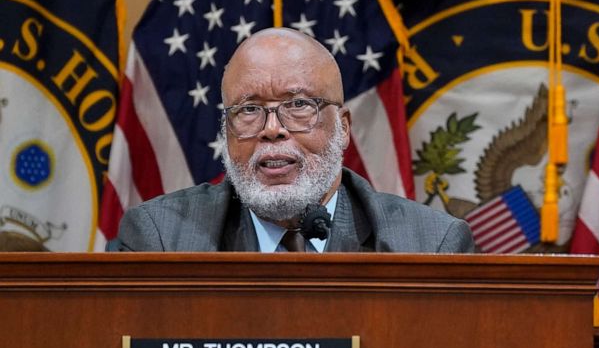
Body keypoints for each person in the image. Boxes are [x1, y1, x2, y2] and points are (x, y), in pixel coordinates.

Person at [111, 28, 474, 253]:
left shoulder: (429, 245)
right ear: (226, 131)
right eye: (249, 109)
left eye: (299, 105)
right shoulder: (160, 240)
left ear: (344, 128)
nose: (272, 129)